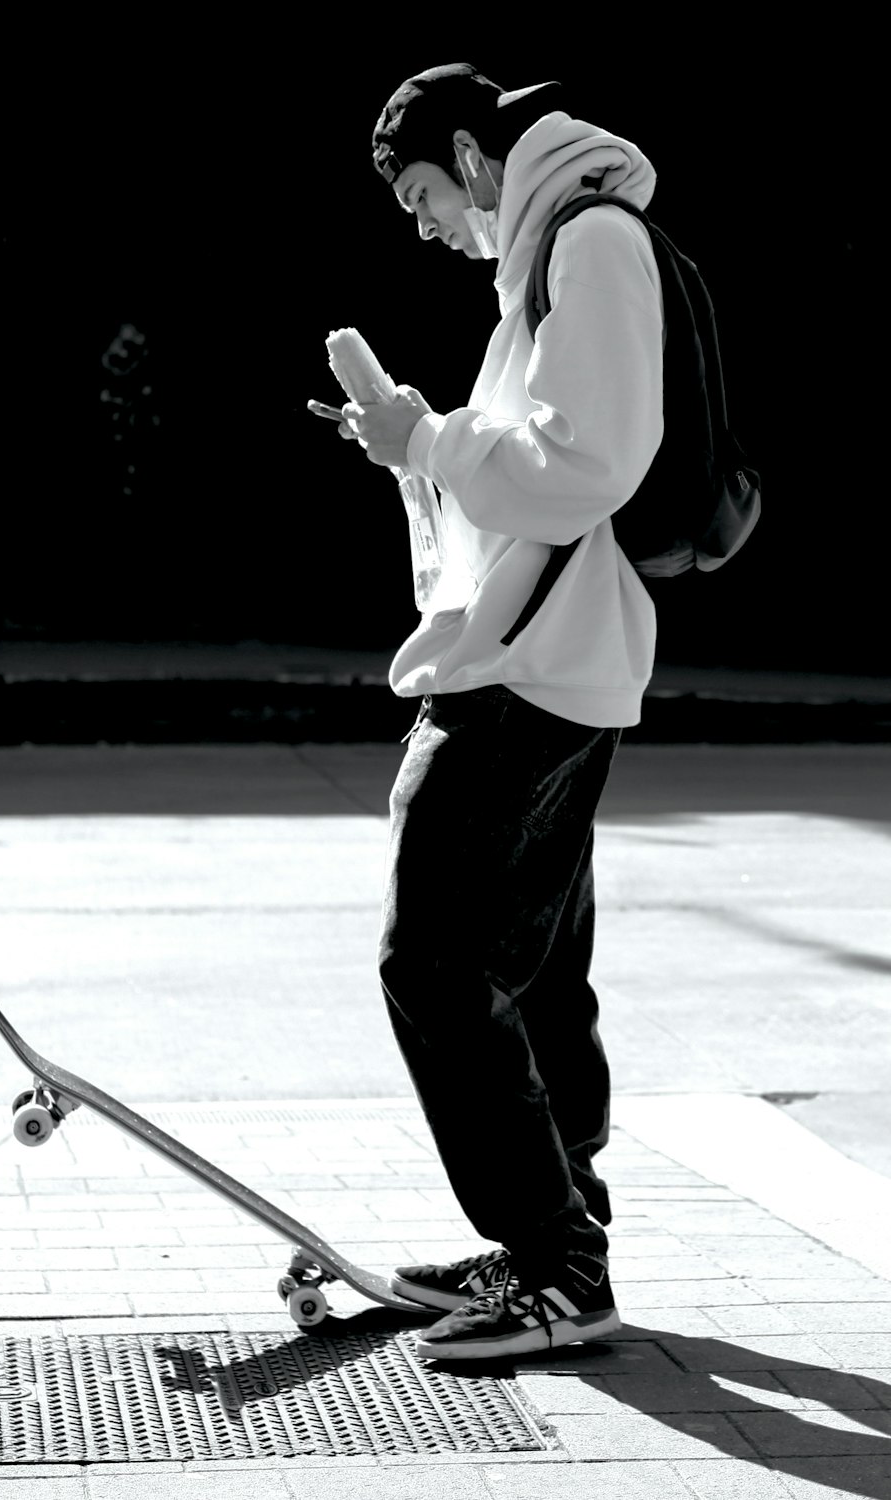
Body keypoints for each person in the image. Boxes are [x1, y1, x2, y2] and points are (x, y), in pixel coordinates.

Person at [309, 63, 664, 1362]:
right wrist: (412, 452)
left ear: (469, 155)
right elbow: (513, 491)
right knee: (528, 970)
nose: (422, 227)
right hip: (543, 663)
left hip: (532, 680)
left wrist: (430, 440)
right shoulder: (543, 272)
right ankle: (558, 1239)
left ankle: (557, 1263)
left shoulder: (592, 245)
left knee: (436, 963)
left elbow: (583, 470)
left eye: (419, 197)